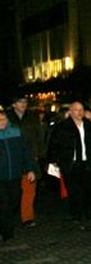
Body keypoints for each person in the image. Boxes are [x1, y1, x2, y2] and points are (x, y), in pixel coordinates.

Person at [47, 101, 91, 226]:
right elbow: (54, 145)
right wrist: (53, 160)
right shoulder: (62, 127)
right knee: (74, 190)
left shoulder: (90, 126)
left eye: (81, 109)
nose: (79, 112)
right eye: (76, 109)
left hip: (89, 162)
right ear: (70, 111)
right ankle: (76, 214)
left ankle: (88, 211)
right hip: (72, 164)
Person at [6, 95, 46, 228]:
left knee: (29, 189)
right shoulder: (6, 117)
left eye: (25, 102)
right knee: (12, 190)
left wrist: (40, 153)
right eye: (19, 101)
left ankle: (27, 217)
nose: (23, 104)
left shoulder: (32, 117)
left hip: (30, 157)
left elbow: (39, 136)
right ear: (13, 104)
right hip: (12, 157)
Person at [0, 110, 37, 242]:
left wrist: (31, 169)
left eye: (3, 119)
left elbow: (26, 152)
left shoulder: (17, 133)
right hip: (1, 177)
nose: (2, 122)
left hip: (16, 174)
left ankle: (4, 223)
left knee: (14, 200)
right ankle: (6, 231)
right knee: (4, 202)